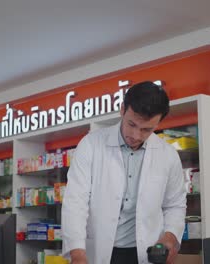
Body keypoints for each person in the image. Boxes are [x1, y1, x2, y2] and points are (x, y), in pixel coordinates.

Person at [62, 81, 187, 264]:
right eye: (132, 124)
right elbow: (75, 202)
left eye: (147, 129)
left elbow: (175, 204)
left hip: (146, 253)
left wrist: (170, 236)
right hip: (98, 251)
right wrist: (77, 253)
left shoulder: (168, 155)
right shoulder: (90, 145)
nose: (136, 136)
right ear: (122, 110)